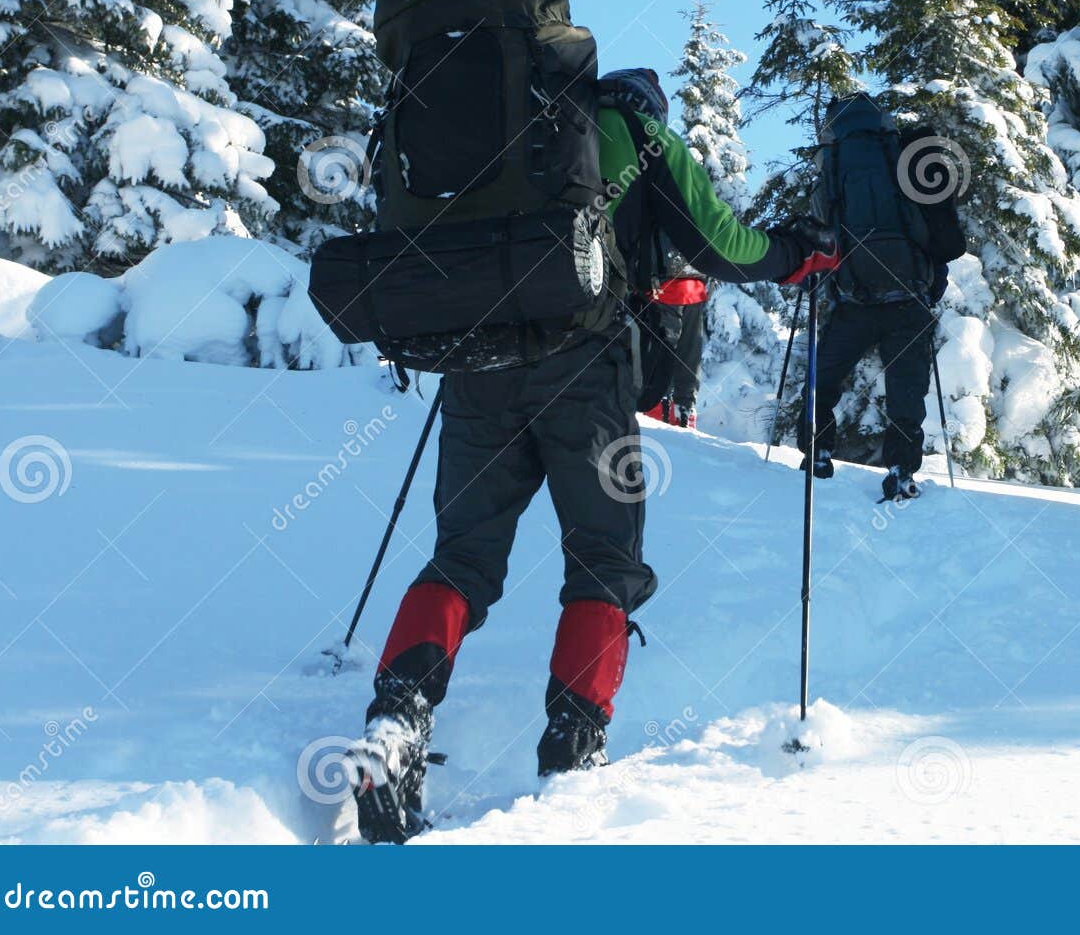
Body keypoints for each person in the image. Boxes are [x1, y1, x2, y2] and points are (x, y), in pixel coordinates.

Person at [347, 49, 837, 842]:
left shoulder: (505, 130)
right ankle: (574, 744)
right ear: (650, 105)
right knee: (603, 560)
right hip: (585, 373)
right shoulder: (640, 133)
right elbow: (724, 246)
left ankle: (396, 720)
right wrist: (797, 254)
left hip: (478, 368)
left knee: (462, 559)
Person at [796, 93, 964, 503]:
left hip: (856, 301)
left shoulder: (833, 164)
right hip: (908, 298)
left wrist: (812, 276)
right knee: (907, 390)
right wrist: (933, 282)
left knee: (824, 379)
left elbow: (822, 228)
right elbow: (936, 226)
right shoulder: (902, 159)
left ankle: (817, 455)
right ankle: (901, 470)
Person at [634, 235, 708, 428]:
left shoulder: (652, 205)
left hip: (660, 279)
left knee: (662, 345)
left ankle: (659, 405)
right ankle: (684, 408)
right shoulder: (698, 205)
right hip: (694, 280)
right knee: (690, 348)